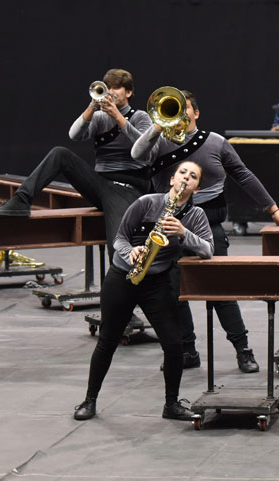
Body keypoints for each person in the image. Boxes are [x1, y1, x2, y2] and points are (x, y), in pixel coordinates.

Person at [132, 90, 279, 373]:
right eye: (174, 109)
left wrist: (273, 209)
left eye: (185, 108)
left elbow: (244, 175)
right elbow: (136, 153)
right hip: (168, 225)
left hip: (209, 226)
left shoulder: (216, 142)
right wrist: (157, 126)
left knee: (221, 291)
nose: (180, 114)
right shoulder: (158, 142)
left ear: (196, 113)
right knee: (174, 291)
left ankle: (243, 349)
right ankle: (188, 350)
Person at [73, 161, 213, 421]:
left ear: (197, 187)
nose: (186, 178)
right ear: (172, 179)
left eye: (193, 176)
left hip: (156, 282)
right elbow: (119, 239)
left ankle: (171, 404)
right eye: (182, 173)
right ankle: (89, 400)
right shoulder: (146, 202)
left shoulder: (195, 216)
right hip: (122, 276)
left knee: (173, 344)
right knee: (107, 341)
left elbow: (208, 249)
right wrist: (131, 252)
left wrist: (184, 233)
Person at [0, 69, 152, 261]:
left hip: (127, 189)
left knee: (117, 249)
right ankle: (20, 201)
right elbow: (74, 135)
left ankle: (122, 285)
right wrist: (91, 108)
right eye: (107, 87)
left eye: (116, 88)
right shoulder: (100, 118)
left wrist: (119, 117)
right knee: (60, 153)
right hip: (100, 184)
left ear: (128, 92)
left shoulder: (140, 117)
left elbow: (145, 150)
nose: (111, 92)